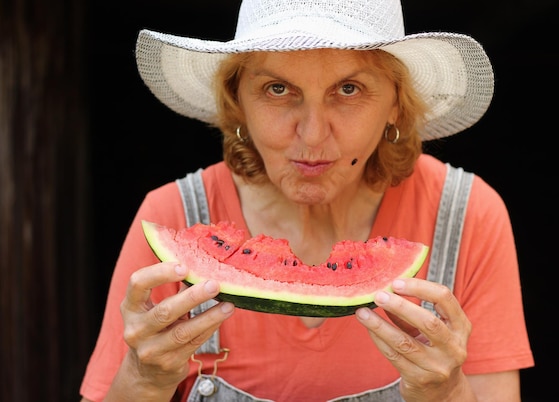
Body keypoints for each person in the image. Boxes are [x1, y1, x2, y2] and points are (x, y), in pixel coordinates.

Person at [79, 0, 534, 401]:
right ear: (238, 101)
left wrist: (447, 392)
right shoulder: (172, 215)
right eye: (278, 89)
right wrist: (143, 379)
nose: (312, 134)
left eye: (348, 89)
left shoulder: (467, 214)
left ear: (396, 103)